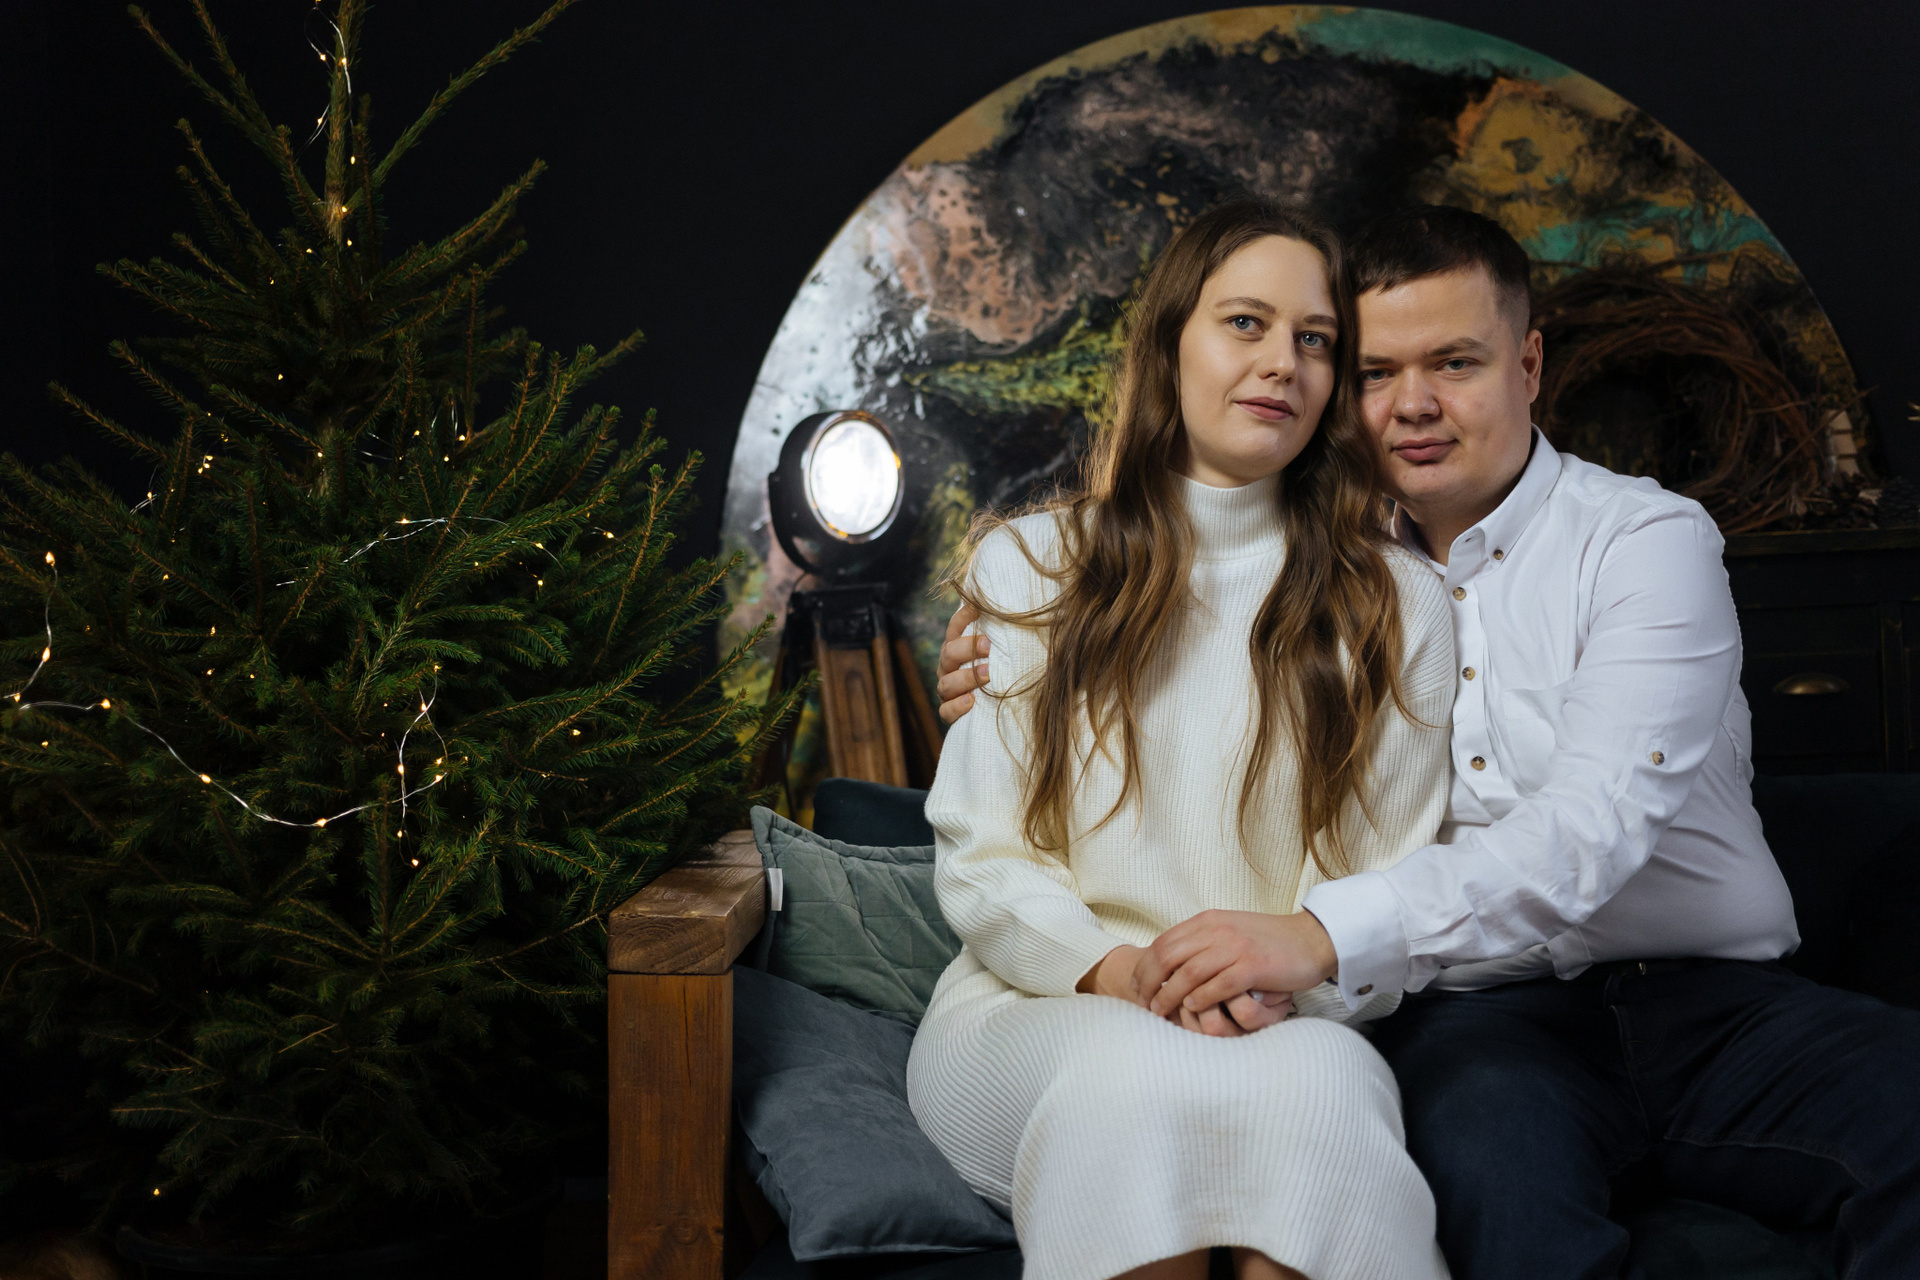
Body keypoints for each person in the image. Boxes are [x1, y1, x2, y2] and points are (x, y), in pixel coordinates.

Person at [936, 204, 1920, 1278]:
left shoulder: (1639, 543)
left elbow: (1591, 827)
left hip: (1714, 1002)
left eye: (1454, 362)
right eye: (1375, 370)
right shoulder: (1323, 569)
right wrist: (1015, 660)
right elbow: (1062, 749)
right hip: (1485, 1019)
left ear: (1528, 365)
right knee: (1499, 1197)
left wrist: (1317, 938)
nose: (1413, 404)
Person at [906, 198, 1458, 1280]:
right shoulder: (1031, 569)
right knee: (1137, 1084)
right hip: (1042, 1004)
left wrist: (1265, 987)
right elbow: (985, 860)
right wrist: (1126, 971)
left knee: (1330, 1097)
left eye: (1315, 341)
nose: (1283, 363)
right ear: (1168, 344)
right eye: (1245, 323)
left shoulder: (1399, 605)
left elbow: (1384, 888)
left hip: (1284, 1021)